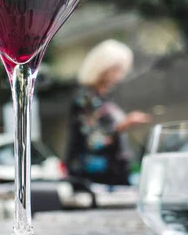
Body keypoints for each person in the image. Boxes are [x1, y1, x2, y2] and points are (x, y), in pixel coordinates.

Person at [65, 39, 151, 186]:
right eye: (116, 69)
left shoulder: (104, 99)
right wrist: (123, 126)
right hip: (95, 179)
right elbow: (93, 141)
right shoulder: (85, 99)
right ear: (102, 67)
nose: (120, 75)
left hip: (113, 176)